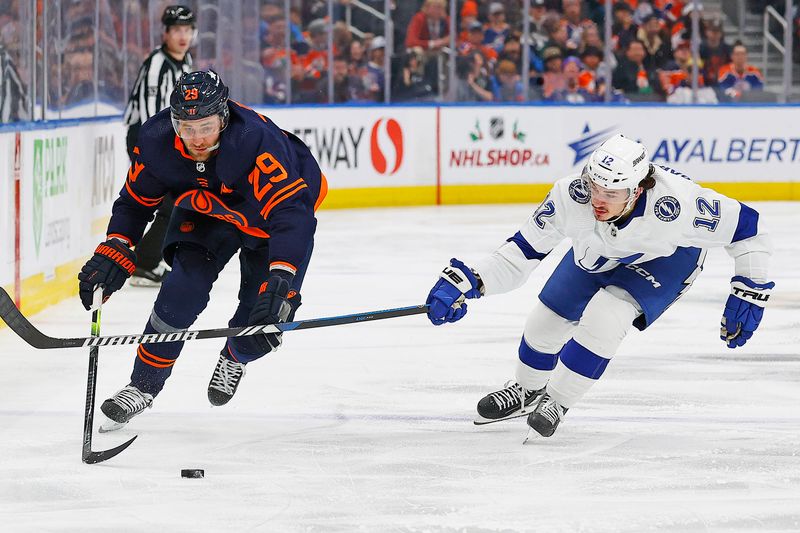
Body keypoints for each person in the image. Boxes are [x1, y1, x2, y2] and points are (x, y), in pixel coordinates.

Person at [425, 134, 774, 439]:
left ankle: (557, 401)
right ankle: (528, 389)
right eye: (595, 186)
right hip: (600, 250)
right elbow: (522, 252)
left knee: (606, 316)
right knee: (544, 321)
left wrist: (750, 289)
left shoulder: (680, 205)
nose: (598, 199)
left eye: (612, 192)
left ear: (637, 190)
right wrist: (470, 281)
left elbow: (749, 229)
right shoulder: (571, 194)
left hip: (666, 258)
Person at [78, 70, 327, 429]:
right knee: (180, 292)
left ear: (223, 117)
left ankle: (235, 355)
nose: (196, 138)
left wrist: (282, 275)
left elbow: (292, 214)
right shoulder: (157, 140)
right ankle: (142, 386)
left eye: (206, 126)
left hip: (271, 224)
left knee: (262, 322)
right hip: (208, 212)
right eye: (186, 127)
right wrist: (116, 244)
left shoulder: (255, 141)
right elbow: (134, 202)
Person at [122, 5, 196, 286]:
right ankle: (144, 262)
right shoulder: (157, 64)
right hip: (148, 138)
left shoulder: (185, 59)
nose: (183, 36)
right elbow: (150, 118)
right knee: (168, 200)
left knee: (172, 201)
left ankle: (148, 260)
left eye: (187, 30)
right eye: (177, 30)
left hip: (171, 139)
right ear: (165, 33)